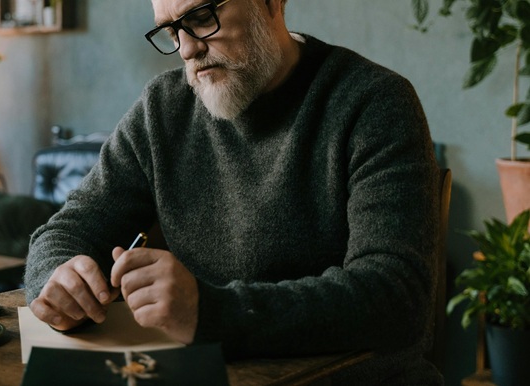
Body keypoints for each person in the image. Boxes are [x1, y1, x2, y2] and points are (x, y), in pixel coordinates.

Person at [25, 0, 442, 384]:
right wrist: (57, 279)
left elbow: (397, 297)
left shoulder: (373, 101)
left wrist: (210, 313)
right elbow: (68, 230)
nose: (187, 49)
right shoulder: (163, 108)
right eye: (171, 31)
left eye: (202, 18)